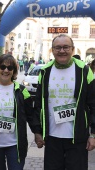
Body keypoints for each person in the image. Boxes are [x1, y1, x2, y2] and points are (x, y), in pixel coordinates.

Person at [34, 34, 95, 170]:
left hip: (77, 138)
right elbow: (38, 104)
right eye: (58, 47)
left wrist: (93, 134)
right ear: (53, 50)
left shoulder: (84, 71)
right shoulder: (45, 71)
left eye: (66, 47)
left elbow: (93, 104)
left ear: (72, 49)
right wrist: (38, 131)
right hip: (51, 137)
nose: (62, 51)